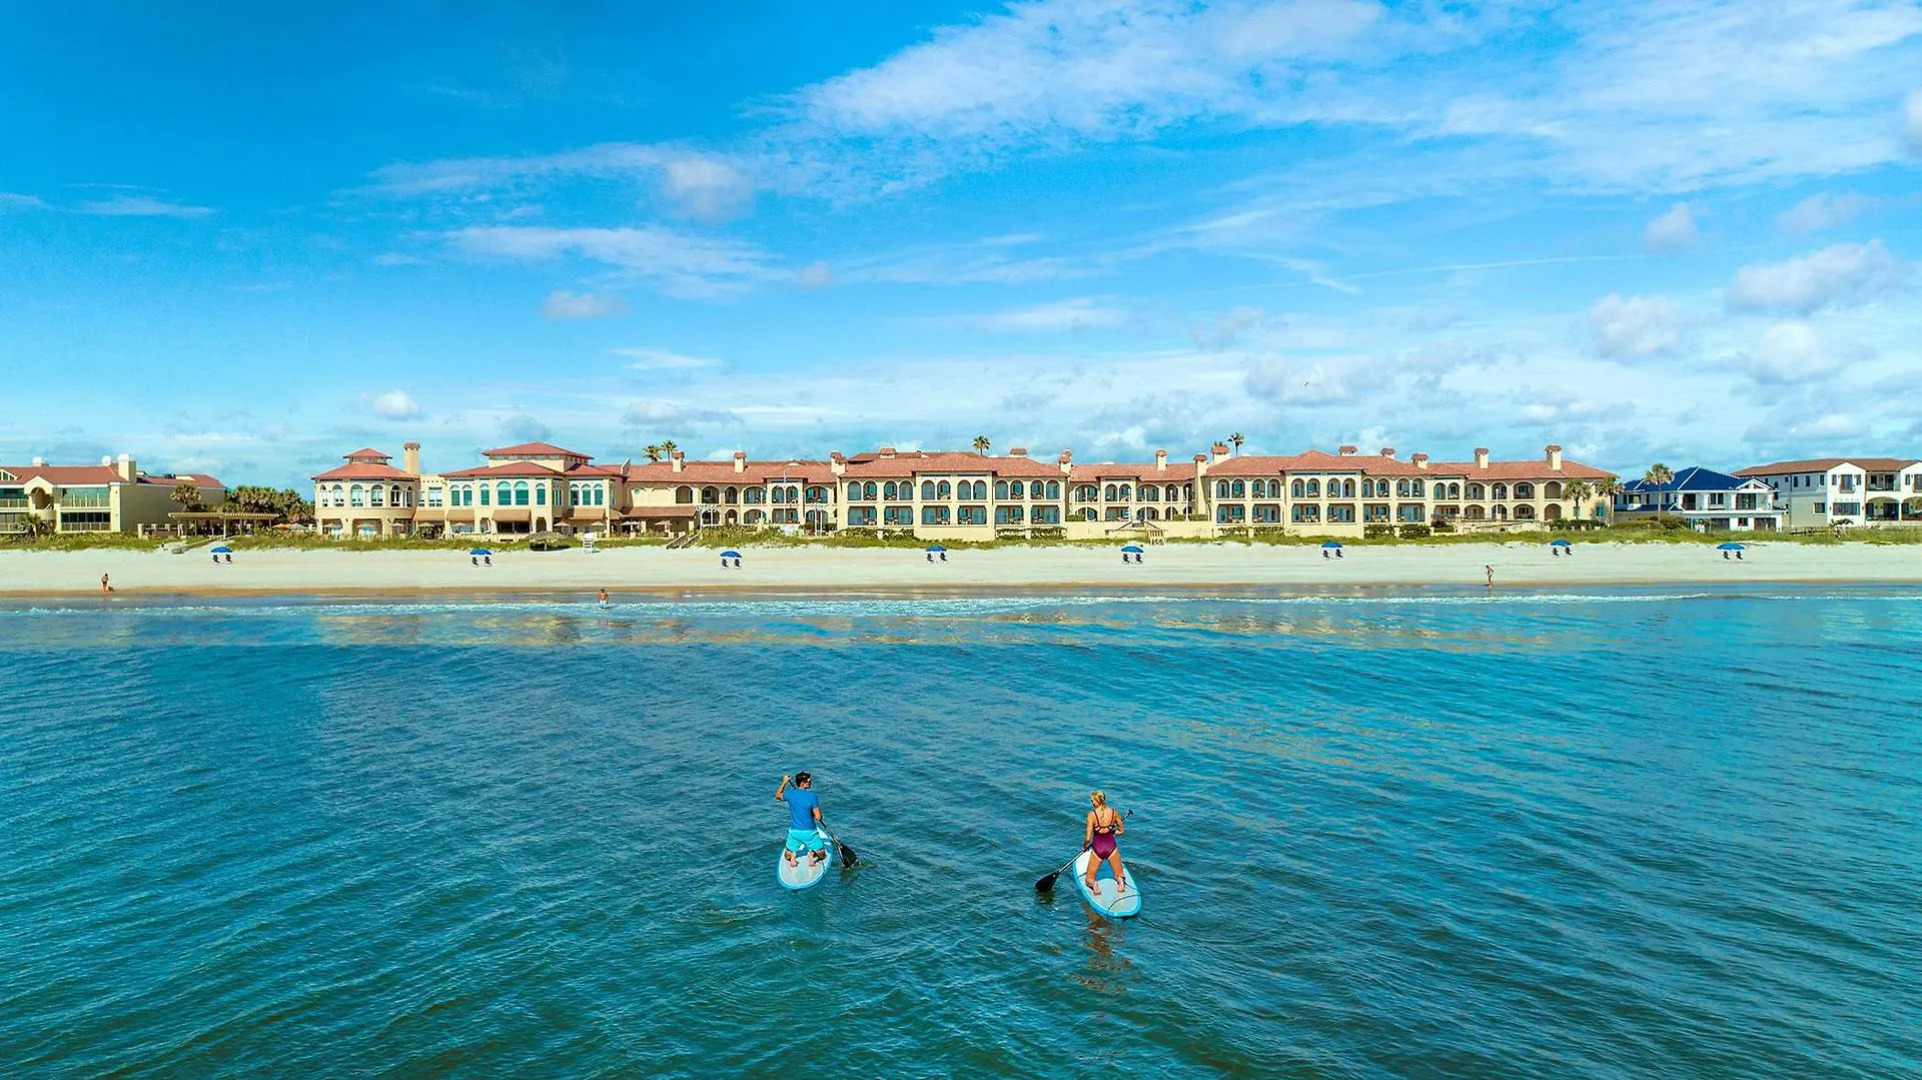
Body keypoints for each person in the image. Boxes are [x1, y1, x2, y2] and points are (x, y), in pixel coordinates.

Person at [776, 772, 827, 869]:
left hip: (795, 833)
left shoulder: (790, 794)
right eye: (809, 781)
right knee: (822, 855)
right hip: (810, 834)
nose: (810, 782)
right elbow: (818, 817)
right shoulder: (812, 796)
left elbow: (778, 795)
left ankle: (792, 856)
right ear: (803, 783)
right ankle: (812, 854)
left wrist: (784, 782)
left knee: (787, 855)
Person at [1083, 790, 1126, 896]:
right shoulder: (1114, 812)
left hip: (1098, 848)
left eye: (1092, 801)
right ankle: (1120, 882)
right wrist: (1111, 831)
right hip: (1111, 847)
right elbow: (1121, 831)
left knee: (1088, 878)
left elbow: (1088, 838)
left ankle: (1094, 884)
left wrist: (1084, 846)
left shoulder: (1091, 815)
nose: (1091, 803)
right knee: (1119, 874)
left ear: (1097, 801)